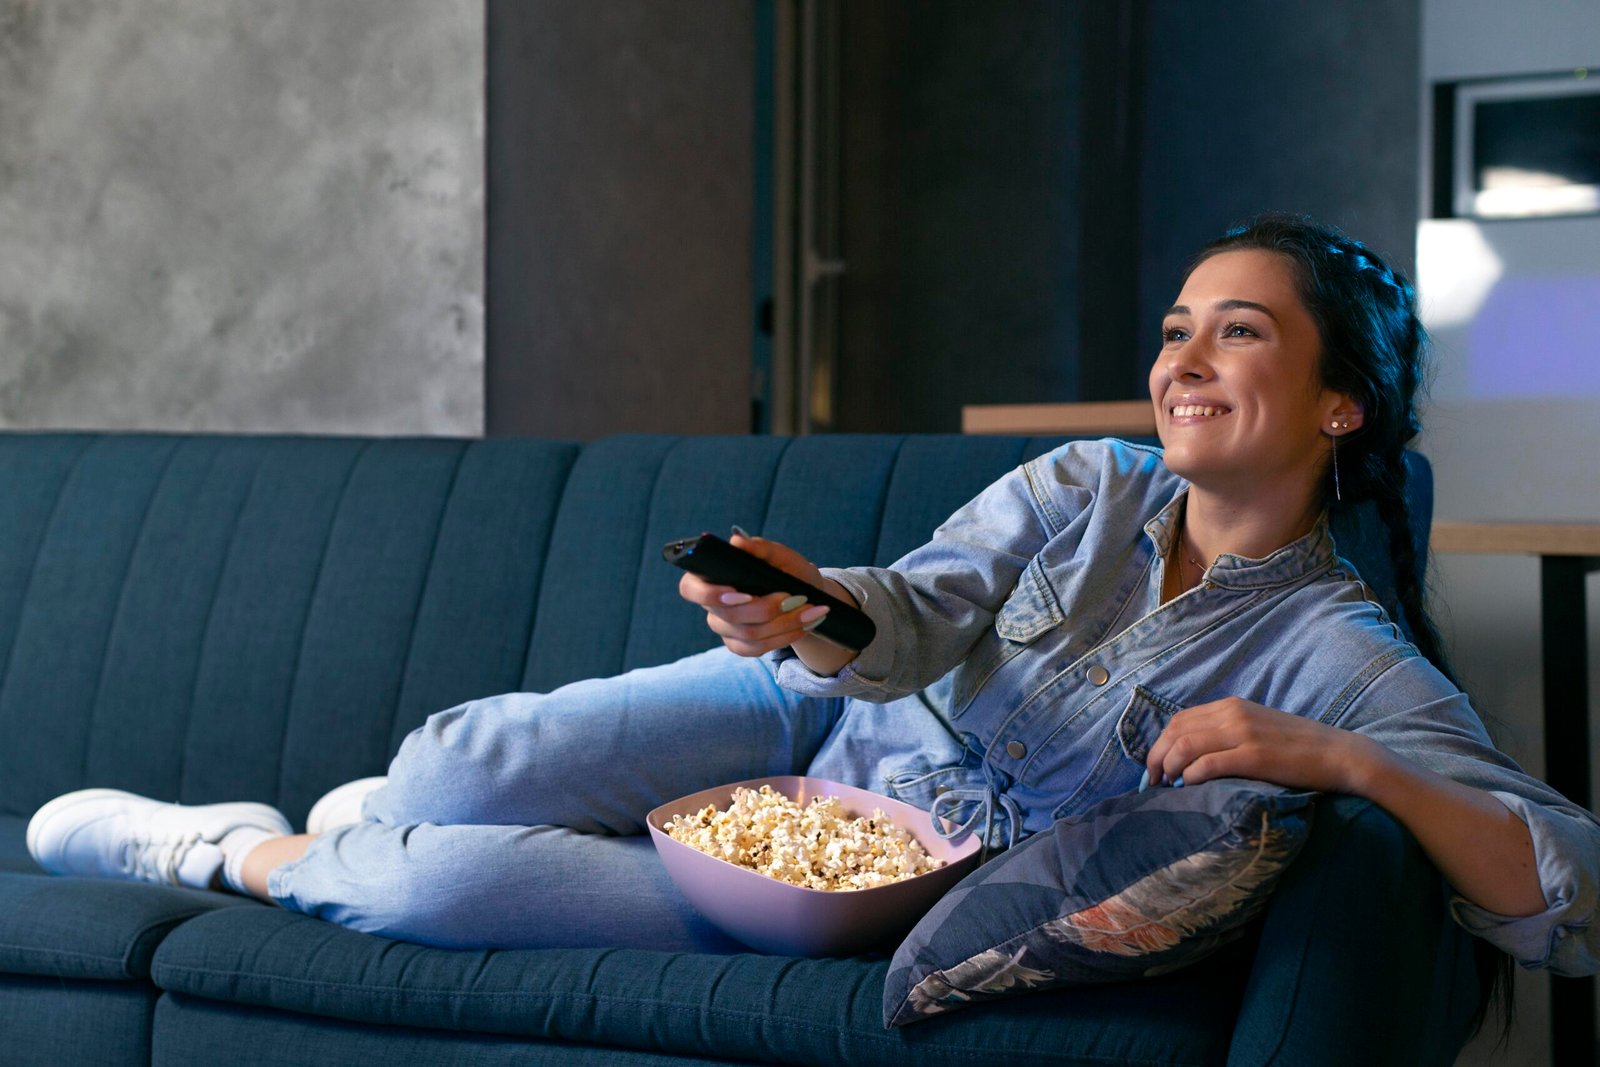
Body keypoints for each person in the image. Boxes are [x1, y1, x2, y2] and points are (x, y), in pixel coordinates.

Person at [26, 216, 1600, 1011]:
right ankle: (388, 818)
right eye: (1176, 326)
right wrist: (808, 616)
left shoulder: (1338, 656)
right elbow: (918, 610)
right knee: (450, 763)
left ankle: (216, 846)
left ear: (1338, 406)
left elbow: (1572, 898)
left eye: (1236, 335)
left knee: (430, 895)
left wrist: (1354, 768)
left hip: (881, 881)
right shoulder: (1088, 482)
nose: (1180, 358)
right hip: (833, 713)